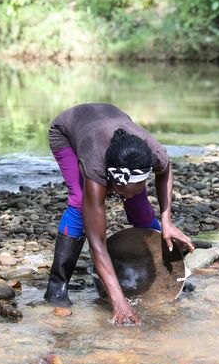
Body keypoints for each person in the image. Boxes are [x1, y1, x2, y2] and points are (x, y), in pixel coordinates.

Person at [44, 103, 195, 325]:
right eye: (123, 190)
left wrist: (167, 220)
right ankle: (56, 288)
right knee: (78, 202)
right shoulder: (95, 167)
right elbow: (97, 243)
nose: (126, 195)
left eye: (140, 184)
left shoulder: (154, 153)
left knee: (140, 207)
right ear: (113, 181)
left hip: (110, 127)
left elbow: (165, 172)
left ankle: (164, 267)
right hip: (67, 131)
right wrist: (119, 302)